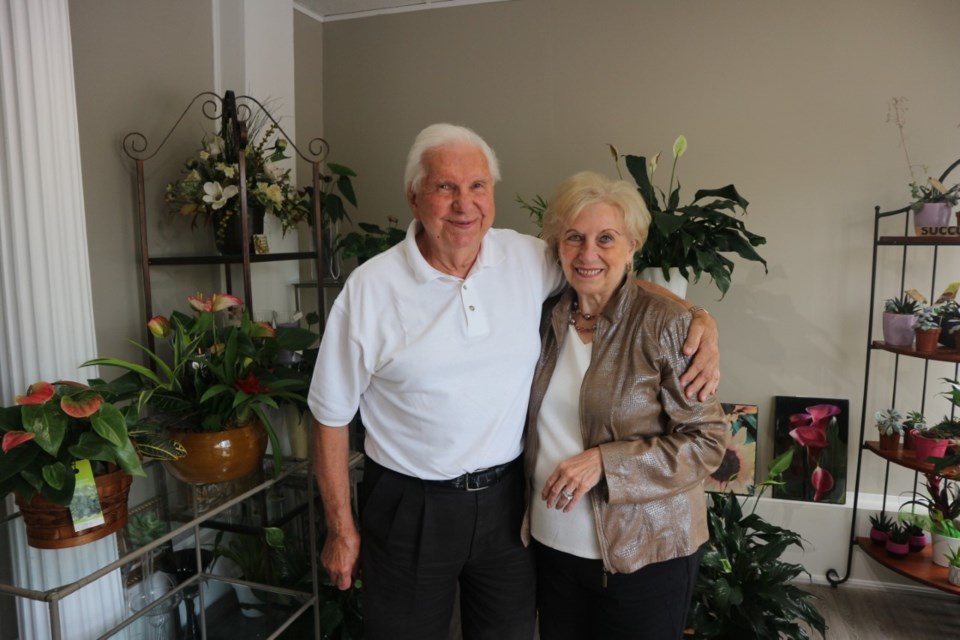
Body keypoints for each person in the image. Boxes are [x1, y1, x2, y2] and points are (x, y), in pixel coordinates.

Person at [307, 124, 720, 640]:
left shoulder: (522, 258)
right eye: (445, 187)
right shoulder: (370, 289)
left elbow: (608, 273)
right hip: (412, 506)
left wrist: (698, 318)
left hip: (507, 509)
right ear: (414, 198)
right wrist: (341, 529)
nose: (464, 204)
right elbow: (329, 413)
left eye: (477, 186)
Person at [523, 170, 728, 640]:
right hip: (552, 549)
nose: (587, 253)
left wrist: (605, 463)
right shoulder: (544, 317)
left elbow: (708, 442)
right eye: (574, 237)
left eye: (606, 238)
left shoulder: (668, 325)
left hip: (646, 554)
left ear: (633, 245)